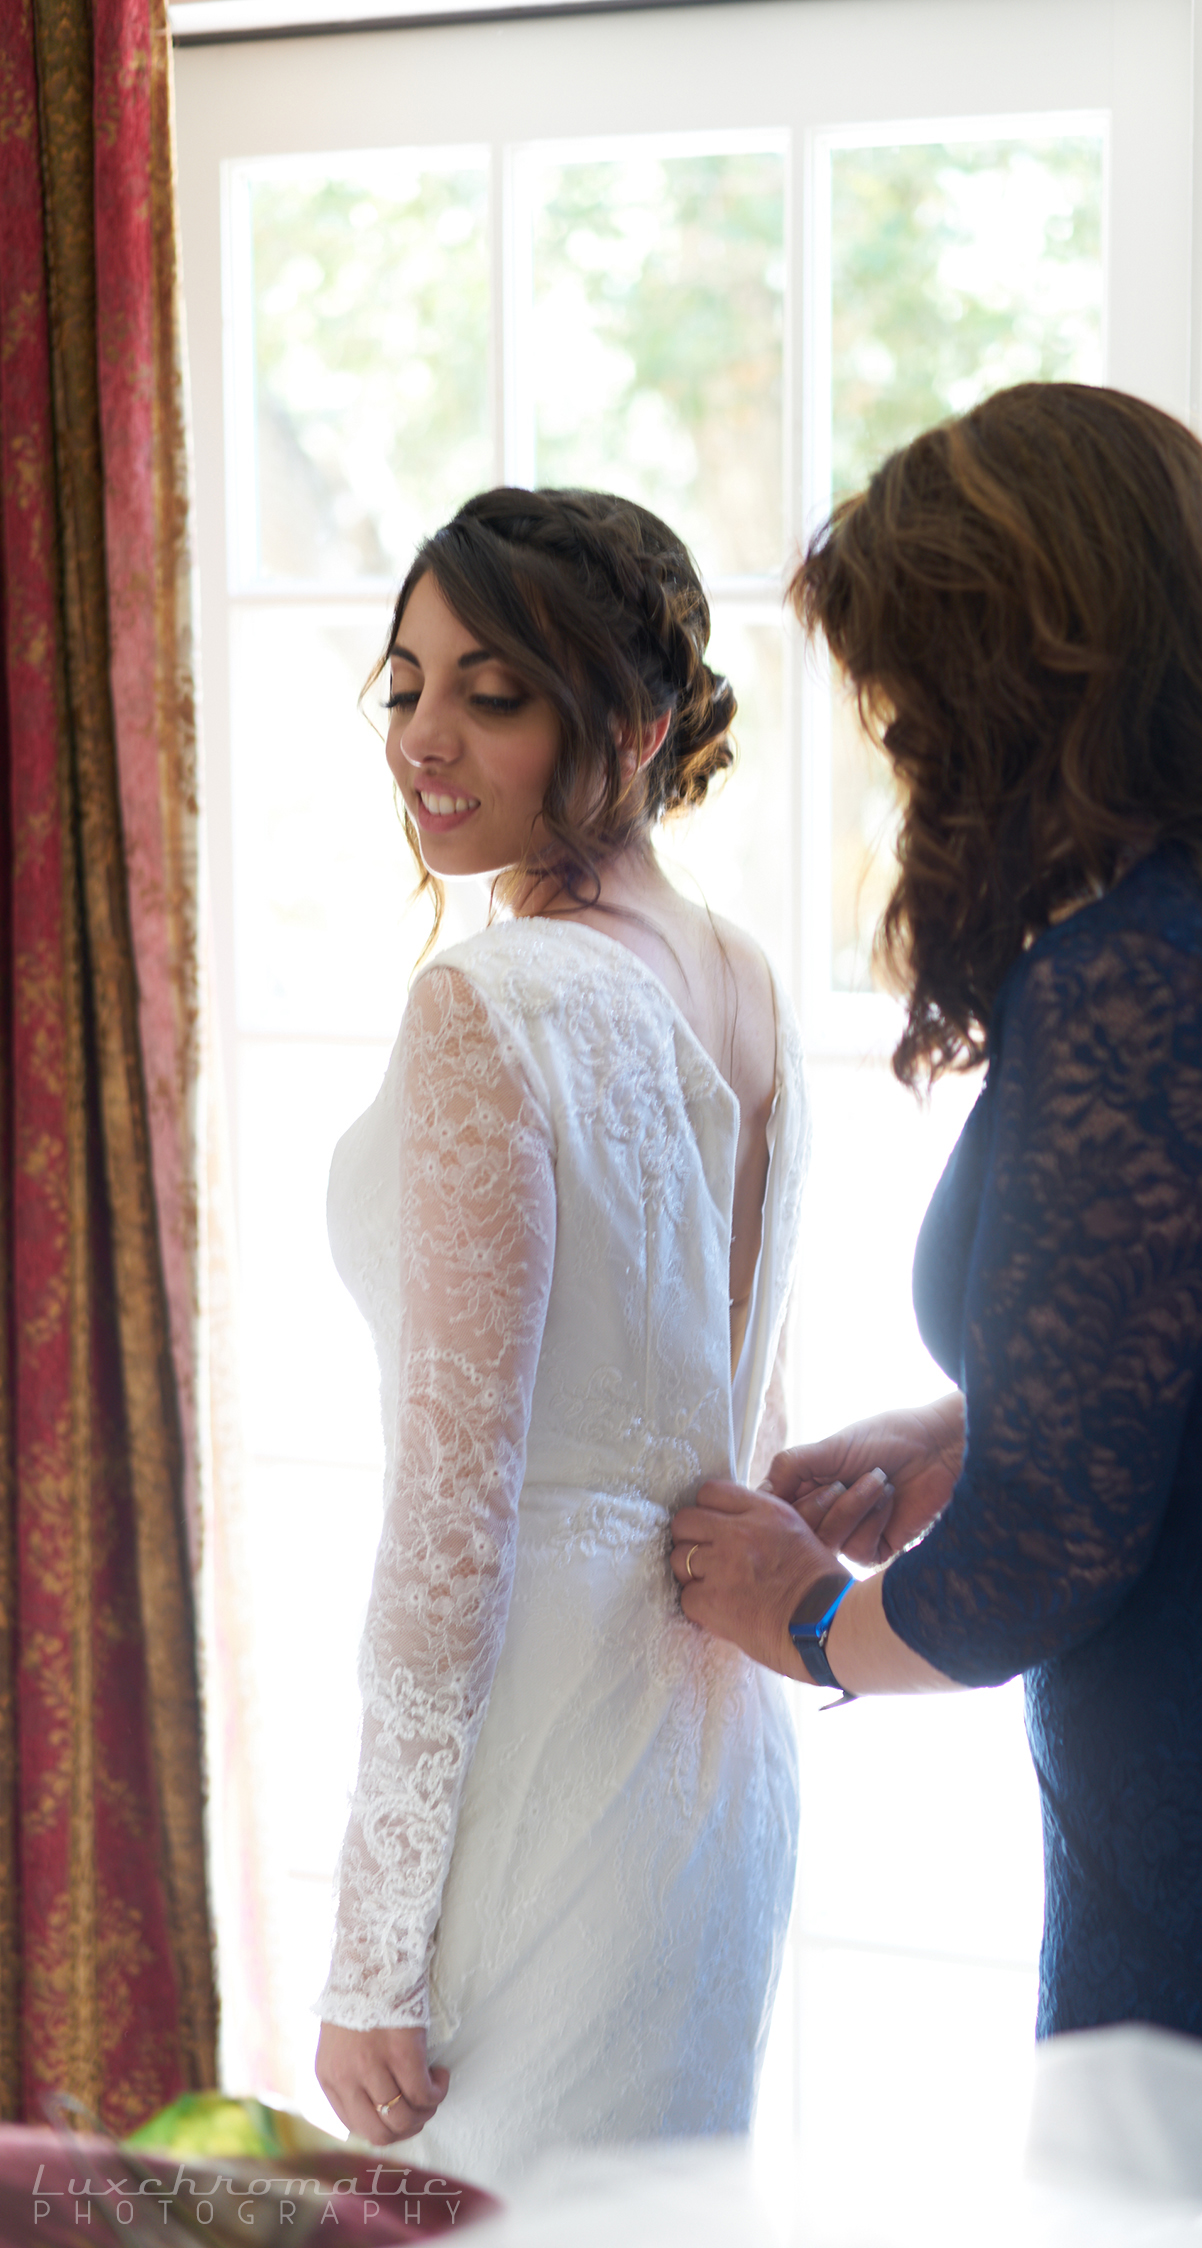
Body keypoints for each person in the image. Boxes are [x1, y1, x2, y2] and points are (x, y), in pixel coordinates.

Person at [671, 382, 1202, 2095]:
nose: (909, 766)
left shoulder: (1146, 980)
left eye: (914, 721)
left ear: (1024, 701)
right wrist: (986, 1423)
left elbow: (1033, 1569)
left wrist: (809, 1616)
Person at [313, 487, 808, 2185]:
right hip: (710, 1774)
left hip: (542, 1758)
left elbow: (456, 1508)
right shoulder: (740, 977)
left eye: (493, 694)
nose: (425, 739)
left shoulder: (496, 1001)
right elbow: (738, 1425)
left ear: (637, 724)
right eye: (404, 684)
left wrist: (377, 1942)